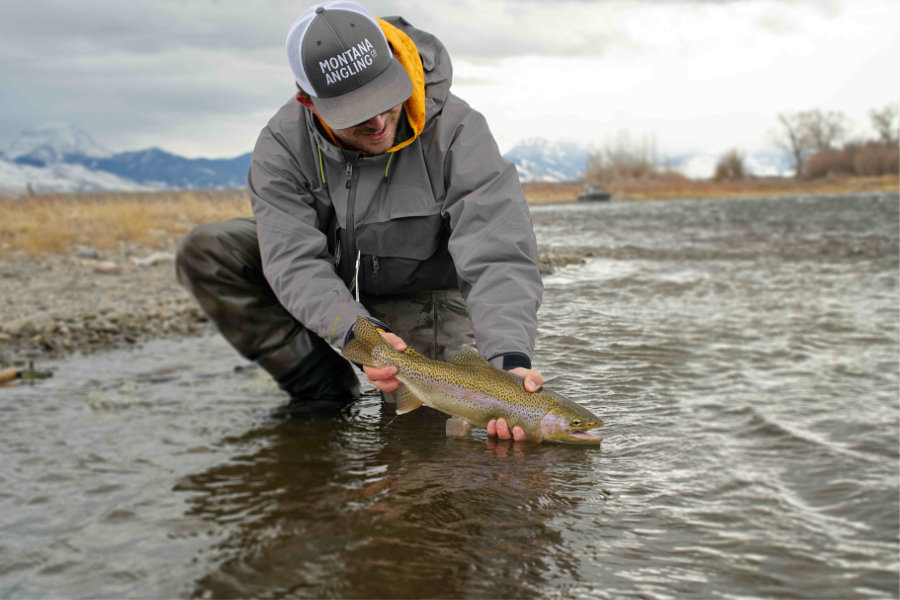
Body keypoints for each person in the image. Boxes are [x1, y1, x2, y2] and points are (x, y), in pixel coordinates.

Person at [176, 1, 543, 441]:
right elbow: (293, 260)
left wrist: (507, 364)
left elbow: (497, 250)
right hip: (334, 284)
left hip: (421, 289)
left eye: (384, 97)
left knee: (427, 432)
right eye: (354, 111)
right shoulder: (281, 144)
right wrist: (360, 335)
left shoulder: (458, 130)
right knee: (210, 249)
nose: (377, 120)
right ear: (307, 102)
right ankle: (324, 390)